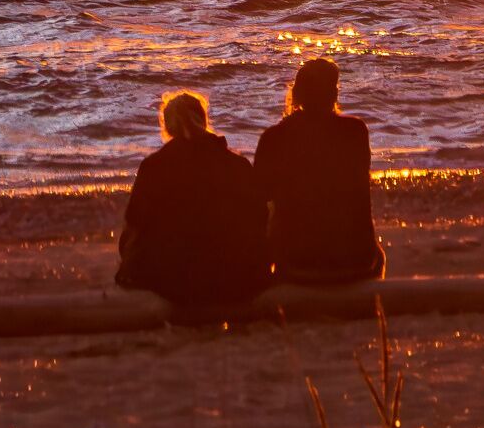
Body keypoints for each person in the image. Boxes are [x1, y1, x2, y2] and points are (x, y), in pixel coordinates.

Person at [115, 90, 270, 314]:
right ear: (204, 120)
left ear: (167, 127)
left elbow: (135, 223)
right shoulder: (238, 164)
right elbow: (259, 216)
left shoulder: (154, 166)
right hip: (236, 276)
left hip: (175, 283)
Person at [255, 56, 382, 287]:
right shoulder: (355, 132)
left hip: (296, 262)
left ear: (298, 94)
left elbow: (259, 201)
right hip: (355, 261)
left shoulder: (273, 138)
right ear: (334, 94)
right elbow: (359, 193)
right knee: (379, 254)